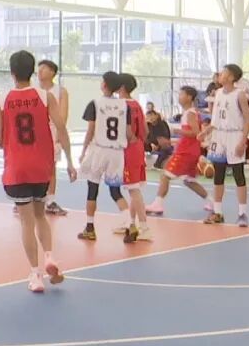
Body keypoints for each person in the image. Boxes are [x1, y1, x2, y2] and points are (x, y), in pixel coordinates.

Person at [0, 50, 76, 293]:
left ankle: (35, 274)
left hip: (17, 168)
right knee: (41, 216)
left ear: (12, 72)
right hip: (42, 167)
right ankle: (50, 256)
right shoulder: (45, 96)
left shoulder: (3, 99)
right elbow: (61, 129)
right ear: (32, 71)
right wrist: (70, 162)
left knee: (26, 221)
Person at [77, 71, 131, 242]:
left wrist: (83, 150)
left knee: (92, 189)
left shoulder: (95, 103)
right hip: (117, 152)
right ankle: (130, 223)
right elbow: (129, 133)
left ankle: (90, 227)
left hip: (99, 150)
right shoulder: (124, 105)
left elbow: (90, 130)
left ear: (104, 84)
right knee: (115, 191)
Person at [146, 86, 211, 216]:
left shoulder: (190, 113)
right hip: (190, 150)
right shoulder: (190, 112)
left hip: (186, 152)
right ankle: (212, 202)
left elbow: (195, 133)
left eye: (181, 94)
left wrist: (176, 130)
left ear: (189, 97)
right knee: (189, 180)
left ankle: (158, 204)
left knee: (165, 176)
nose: (179, 97)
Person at [204, 64, 249, 227]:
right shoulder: (217, 93)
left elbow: (247, 120)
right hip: (219, 135)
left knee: (238, 174)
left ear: (231, 77)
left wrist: (242, 141)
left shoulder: (239, 95)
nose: (220, 74)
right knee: (218, 174)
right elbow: (215, 119)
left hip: (234, 135)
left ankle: (242, 213)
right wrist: (206, 131)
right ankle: (217, 212)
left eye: (224, 73)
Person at [118, 74, 151, 243]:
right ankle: (131, 223)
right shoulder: (136, 104)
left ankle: (145, 227)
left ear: (122, 87)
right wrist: (139, 141)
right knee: (134, 187)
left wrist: (126, 141)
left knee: (133, 190)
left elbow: (128, 131)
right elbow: (145, 130)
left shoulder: (122, 105)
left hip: (128, 149)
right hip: (138, 147)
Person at [36, 59, 69, 216]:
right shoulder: (34, 90)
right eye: (39, 68)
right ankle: (31, 199)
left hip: (52, 131)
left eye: (43, 68)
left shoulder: (60, 91)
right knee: (33, 166)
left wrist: (59, 135)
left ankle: (50, 200)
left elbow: (63, 116)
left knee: (51, 167)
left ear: (52, 72)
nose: (39, 71)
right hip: (36, 132)